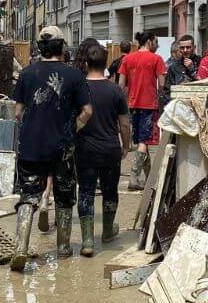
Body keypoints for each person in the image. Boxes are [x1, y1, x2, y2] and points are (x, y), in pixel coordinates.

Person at [10, 26, 93, 271]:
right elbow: (87, 111)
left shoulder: (26, 74)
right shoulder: (74, 75)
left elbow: (18, 112)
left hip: (31, 146)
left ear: (40, 48)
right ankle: (63, 250)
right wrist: (72, 129)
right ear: (62, 47)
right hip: (62, 147)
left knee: (28, 195)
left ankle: (20, 249)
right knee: (65, 195)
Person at [75, 45, 131, 256]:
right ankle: (107, 231)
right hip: (110, 149)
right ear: (107, 64)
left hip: (85, 149)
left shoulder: (79, 88)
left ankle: (87, 240)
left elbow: (74, 120)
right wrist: (125, 145)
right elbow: (124, 124)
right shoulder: (115, 90)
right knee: (110, 191)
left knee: (86, 192)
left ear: (87, 64)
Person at [118, 31, 166, 190]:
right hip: (149, 105)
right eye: (156, 41)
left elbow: (121, 85)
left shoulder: (127, 59)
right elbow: (162, 84)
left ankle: (150, 176)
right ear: (150, 41)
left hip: (132, 104)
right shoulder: (156, 59)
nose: (157, 45)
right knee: (144, 142)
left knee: (140, 141)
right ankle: (134, 177)